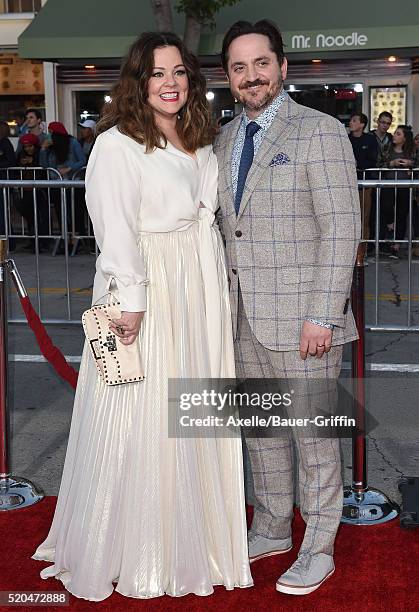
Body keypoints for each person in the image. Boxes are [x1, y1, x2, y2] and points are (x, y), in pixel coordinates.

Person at [32, 31, 253, 600]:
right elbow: (115, 232)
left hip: (197, 286)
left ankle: (196, 537)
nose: (171, 83)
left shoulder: (200, 136)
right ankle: (138, 546)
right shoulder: (117, 144)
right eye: (157, 73)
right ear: (138, 81)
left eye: (179, 72)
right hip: (149, 288)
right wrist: (131, 302)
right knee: (144, 412)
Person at [215, 20, 360, 596]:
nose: (252, 75)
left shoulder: (319, 132)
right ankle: (273, 526)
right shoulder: (224, 139)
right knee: (263, 433)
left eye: (261, 63)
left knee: (315, 438)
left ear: (282, 67)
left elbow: (341, 227)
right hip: (241, 317)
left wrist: (322, 314)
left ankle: (319, 544)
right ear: (228, 76)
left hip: (305, 320)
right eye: (239, 66)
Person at [378, 124, 415, 258]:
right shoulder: (387, 148)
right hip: (389, 183)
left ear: (405, 138)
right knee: (386, 206)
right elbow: (378, 163)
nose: (394, 135)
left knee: (402, 213)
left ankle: (396, 246)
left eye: (398, 134)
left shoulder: (412, 151)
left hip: (405, 185)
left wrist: (411, 164)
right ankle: (390, 225)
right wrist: (391, 164)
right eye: (395, 133)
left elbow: (416, 163)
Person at [13, 133, 49, 251]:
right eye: (25, 146)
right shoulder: (21, 155)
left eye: (30, 146)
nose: (28, 148)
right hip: (26, 189)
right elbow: (15, 168)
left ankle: (43, 242)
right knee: (29, 217)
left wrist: (33, 162)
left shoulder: (40, 154)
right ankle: (33, 241)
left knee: (40, 216)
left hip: (39, 190)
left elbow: (44, 168)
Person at [348, 112, 378, 246]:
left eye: (354, 120)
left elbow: (373, 161)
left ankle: (363, 250)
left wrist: (357, 164)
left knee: (364, 218)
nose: (351, 123)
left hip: (364, 185)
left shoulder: (370, 140)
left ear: (362, 124)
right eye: (351, 120)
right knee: (348, 219)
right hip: (347, 185)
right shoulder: (346, 138)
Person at [0, 121, 17, 239]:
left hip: (4, 182)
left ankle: (8, 240)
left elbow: (11, 161)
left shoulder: (5, 143)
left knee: (2, 213)